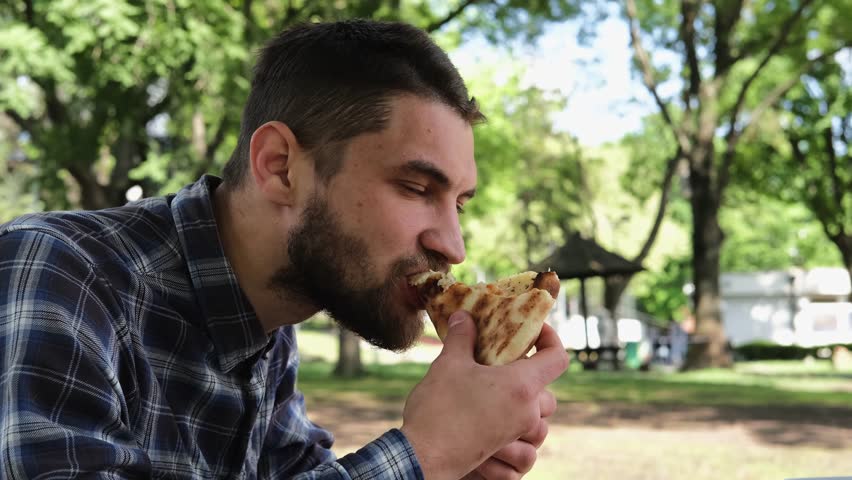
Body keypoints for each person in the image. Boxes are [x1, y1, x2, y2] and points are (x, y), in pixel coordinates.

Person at [0, 20, 568, 479]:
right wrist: (426, 455)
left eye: (459, 204)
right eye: (417, 189)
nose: (453, 245)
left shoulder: (269, 326)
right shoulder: (61, 273)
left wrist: (452, 469)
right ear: (279, 167)